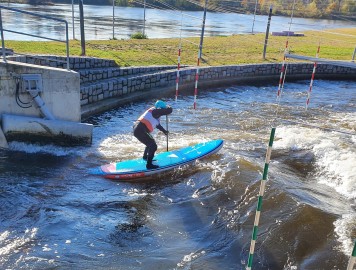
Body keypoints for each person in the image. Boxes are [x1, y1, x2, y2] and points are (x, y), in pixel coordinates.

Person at [133, 100, 173, 169]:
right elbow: (169, 111)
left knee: (150, 143)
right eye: (163, 109)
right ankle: (149, 165)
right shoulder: (155, 111)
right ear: (160, 108)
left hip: (139, 129)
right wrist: (169, 107)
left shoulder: (155, 115)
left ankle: (145, 157)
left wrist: (164, 131)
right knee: (153, 146)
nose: (163, 111)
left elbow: (158, 125)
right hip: (140, 129)